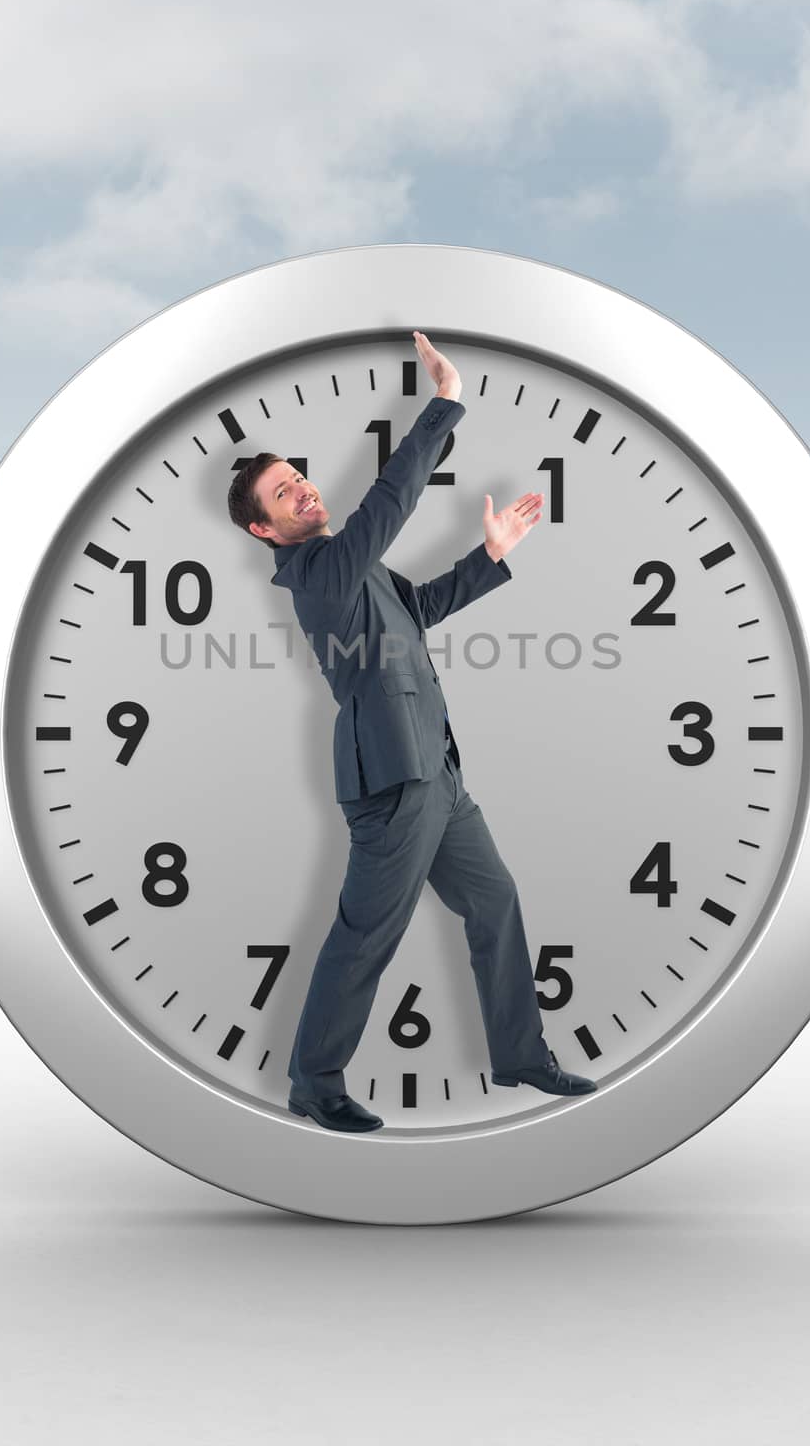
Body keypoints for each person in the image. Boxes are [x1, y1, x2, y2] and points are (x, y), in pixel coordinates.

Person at [226, 330, 597, 1132]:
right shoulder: (319, 575)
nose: (302, 492)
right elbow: (388, 504)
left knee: (493, 899)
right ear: (264, 532)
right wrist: (444, 405)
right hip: (394, 783)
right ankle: (314, 1083)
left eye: (299, 479)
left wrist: (489, 557)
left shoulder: (356, 572)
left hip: (439, 774)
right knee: (368, 935)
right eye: (283, 496)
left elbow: (416, 612)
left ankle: (521, 1052)